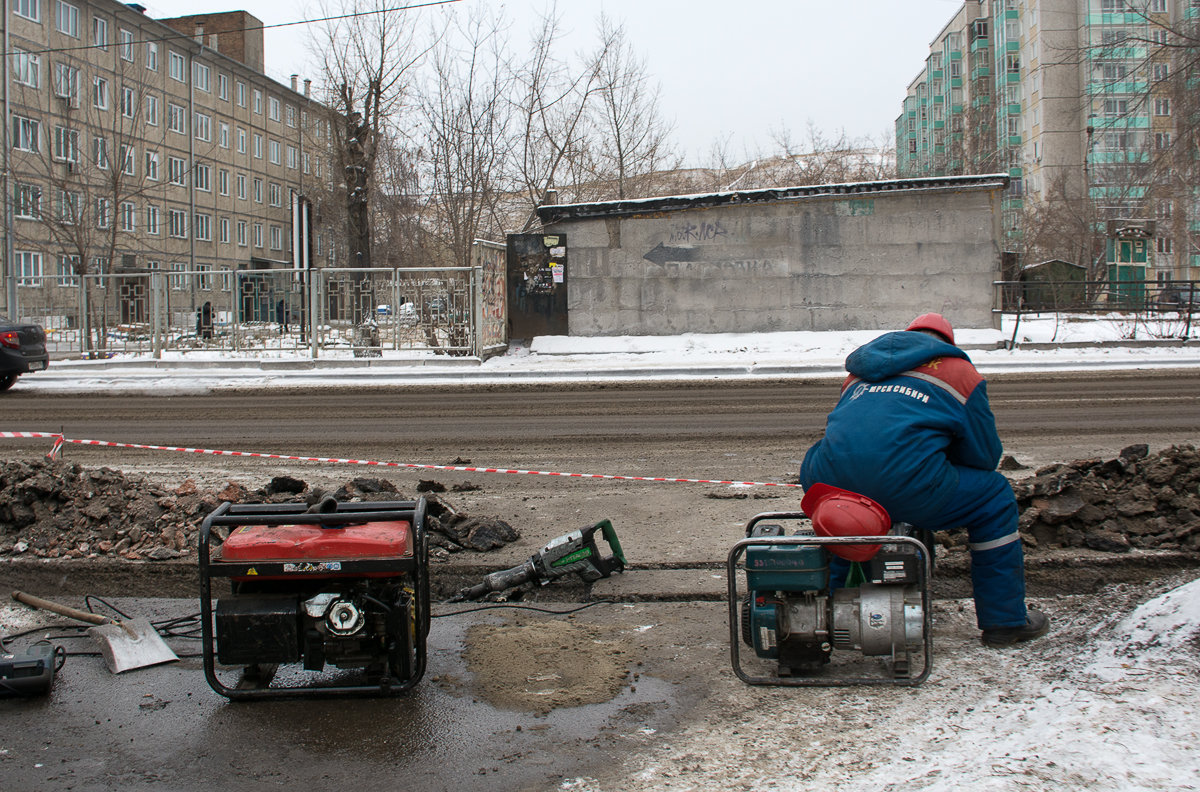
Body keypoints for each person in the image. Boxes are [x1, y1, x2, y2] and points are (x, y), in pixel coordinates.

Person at [800, 312, 1049, 647]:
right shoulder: (960, 372)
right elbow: (984, 456)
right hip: (907, 483)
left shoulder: (860, 371)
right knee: (995, 497)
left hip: (825, 481)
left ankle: (825, 611)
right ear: (946, 344)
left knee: (852, 507)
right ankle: (1004, 621)